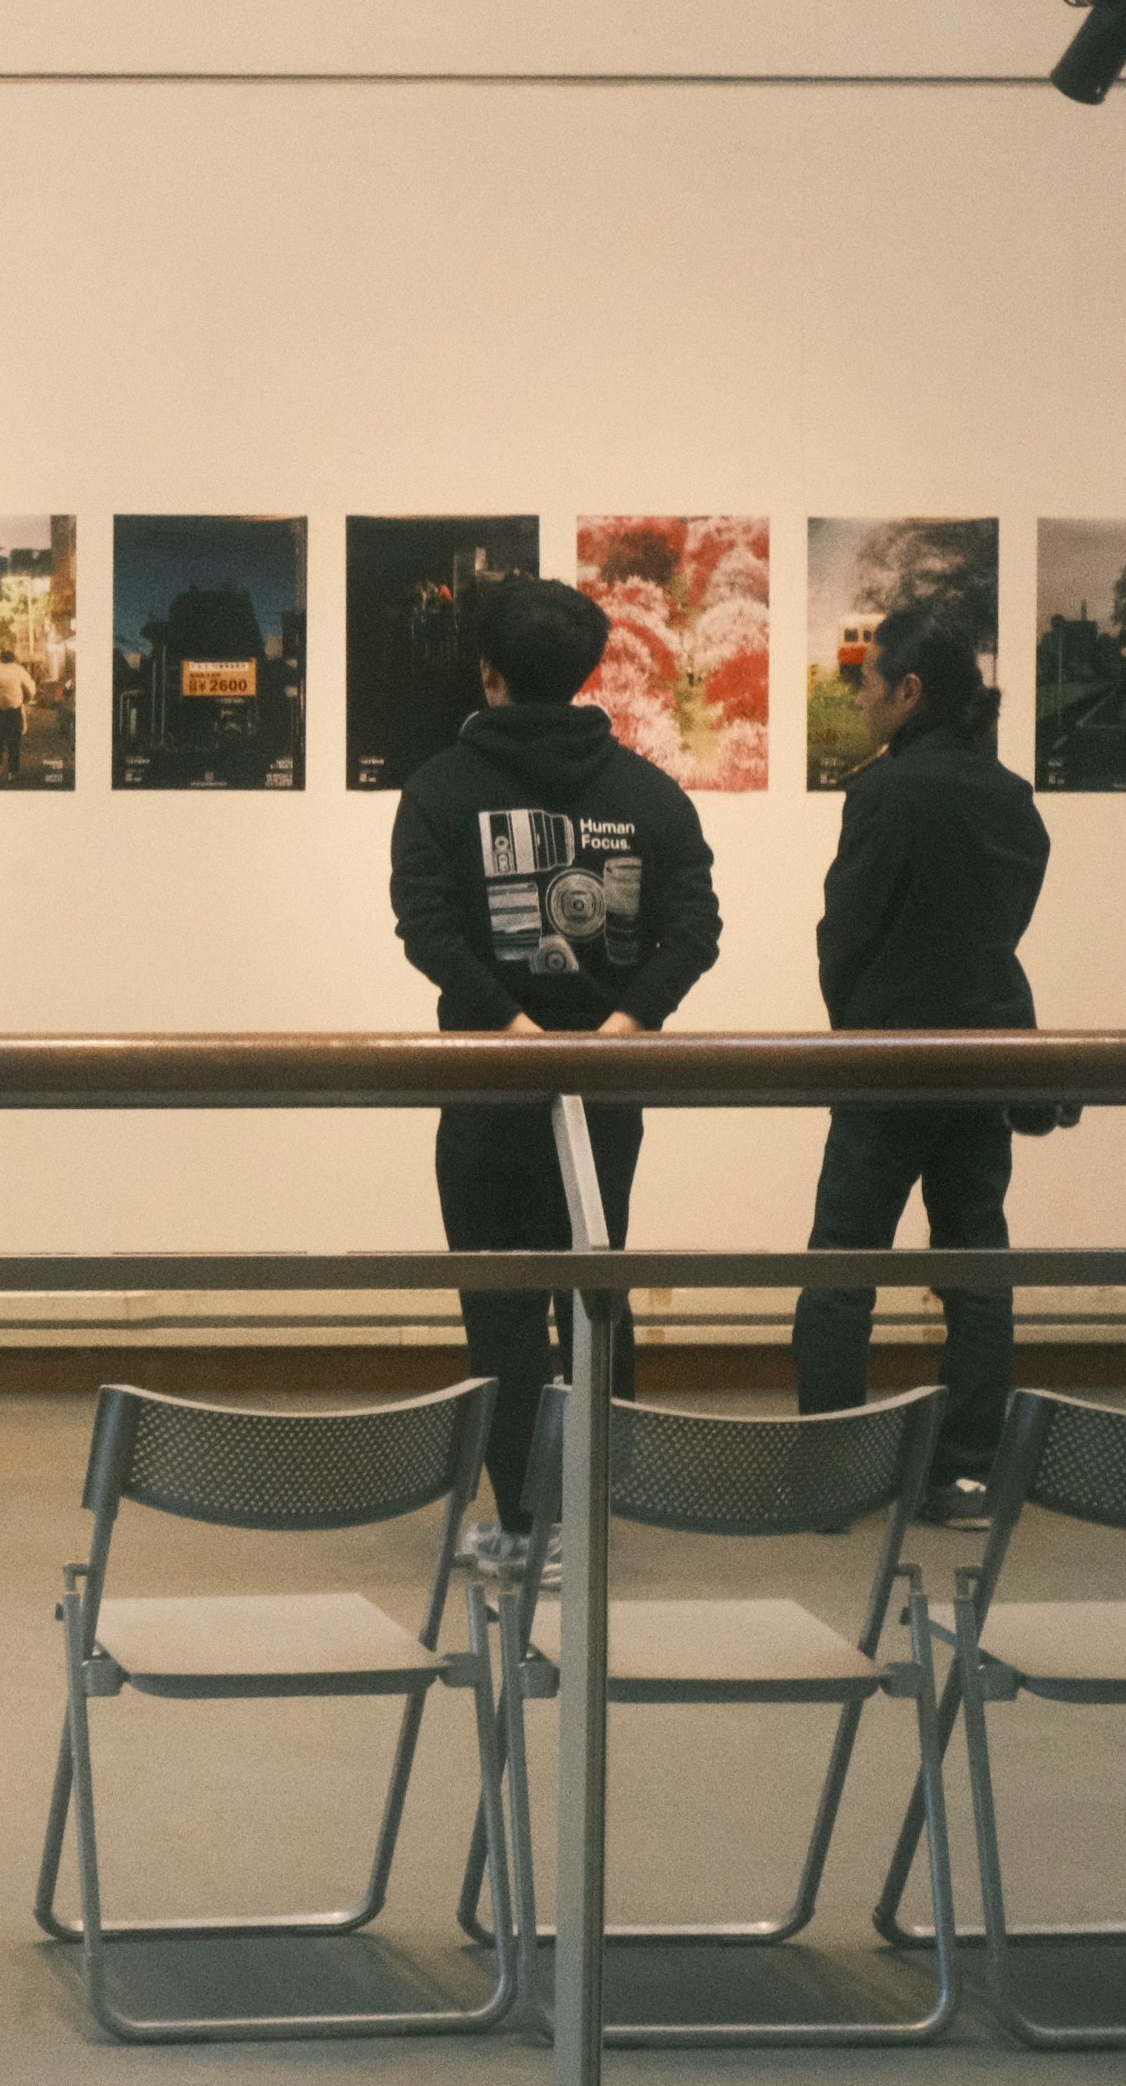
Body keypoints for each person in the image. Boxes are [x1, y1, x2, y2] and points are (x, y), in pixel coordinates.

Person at [390, 578, 722, 1576]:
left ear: (489, 673)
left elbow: (431, 928)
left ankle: (525, 1525)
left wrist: (513, 1023)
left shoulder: (440, 789)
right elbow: (695, 924)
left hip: (491, 1084)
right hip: (606, 1084)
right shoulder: (648, 793)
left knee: (500, 1303)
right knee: (593, 1291)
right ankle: (584, 1516)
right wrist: (622, 1024)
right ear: (585, 672)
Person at [793, 606, 1052, 1529]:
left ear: (909, 692)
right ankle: (968, 1474)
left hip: (888, 1062)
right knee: (976, 1263)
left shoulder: (884, 794)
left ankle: (831, 1474)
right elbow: (1002, 932)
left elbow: (845, 933)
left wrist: (854, 1026)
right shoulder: (1013, 798)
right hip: (980, 1062)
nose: (859, 700)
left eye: (867, 685)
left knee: (843, 1267)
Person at [0, 649, 38, 779]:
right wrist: (25, 700)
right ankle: (12, 771)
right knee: (14, 741)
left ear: (1, 659)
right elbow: (31, 688)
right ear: (13, 658)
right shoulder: (19, 670)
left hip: (0, 711)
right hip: (15, 710)